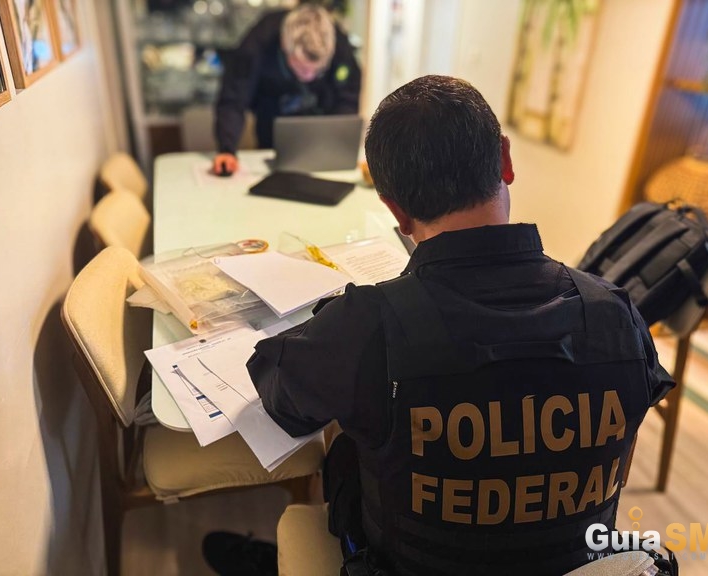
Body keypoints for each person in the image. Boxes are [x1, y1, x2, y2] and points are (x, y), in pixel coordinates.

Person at [207, 75, 674, 575]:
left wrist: (328, 323)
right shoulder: (615, 315)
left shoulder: (368, 326)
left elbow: (281, 398)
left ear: (397, 212)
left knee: (344, 451)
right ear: (505, 160)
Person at [212, 1, 361, 176]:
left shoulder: (340, 47)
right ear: (285, 48)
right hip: (271, 131)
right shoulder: (259, 41)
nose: (310, 76)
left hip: (323, 140)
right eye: (303, 69)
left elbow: (347, 98)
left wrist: (340, 147)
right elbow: (233, 98)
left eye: (318, 70)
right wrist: (227, 148)